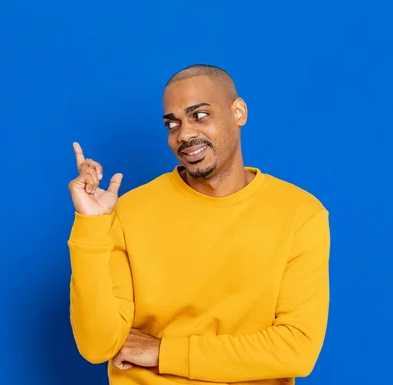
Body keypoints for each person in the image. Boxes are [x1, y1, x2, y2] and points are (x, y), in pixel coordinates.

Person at [66, 64, 330, 385]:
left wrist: (164, 352)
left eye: (200, 115)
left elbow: (297, 350)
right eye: (172, 124)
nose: (185, 135)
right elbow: (97, 346)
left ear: (238, 112)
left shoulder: (300, 213)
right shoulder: (131, 210)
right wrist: (91, 227)